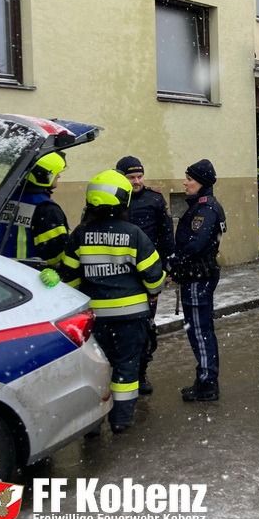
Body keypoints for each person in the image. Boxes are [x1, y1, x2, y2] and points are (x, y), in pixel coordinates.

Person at [60, 170, 165, 433]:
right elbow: (154, 278)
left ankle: (93, 424)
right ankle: (121, 419)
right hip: (131, 318)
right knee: (126, 367)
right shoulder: (134, 234)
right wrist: (152, 290)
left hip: (93, 319)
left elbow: (68, 278)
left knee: (96, 370)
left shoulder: (80, 235)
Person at [115, 156, 175, 396]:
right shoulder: (113, 199)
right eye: (131, 178)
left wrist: (168, 266)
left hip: (148, 275)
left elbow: (166, 234)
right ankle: (119, 373)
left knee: (145, 325)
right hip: (118, 276)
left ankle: (140, 372)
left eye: (140, 176)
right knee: (118, 328)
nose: (137, 181)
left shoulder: (154, 199)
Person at [170, 159, 227, 402]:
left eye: (190, 179)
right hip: (197, 275)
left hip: (198, 276)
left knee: (200, 331)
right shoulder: (203, 206)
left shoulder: (205, 209)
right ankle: (205, 378)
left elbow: (196, 244)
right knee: (200, 329)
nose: (185, 182)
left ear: (201, 182)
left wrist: (175, 261)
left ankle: (207, 383)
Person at [0, 151, 69, 267]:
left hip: (4, 272)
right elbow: (56, 254)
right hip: (32, 276)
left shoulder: (7, 200)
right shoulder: (47, 208)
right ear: (45, 175)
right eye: (56, 173)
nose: (59, 176)